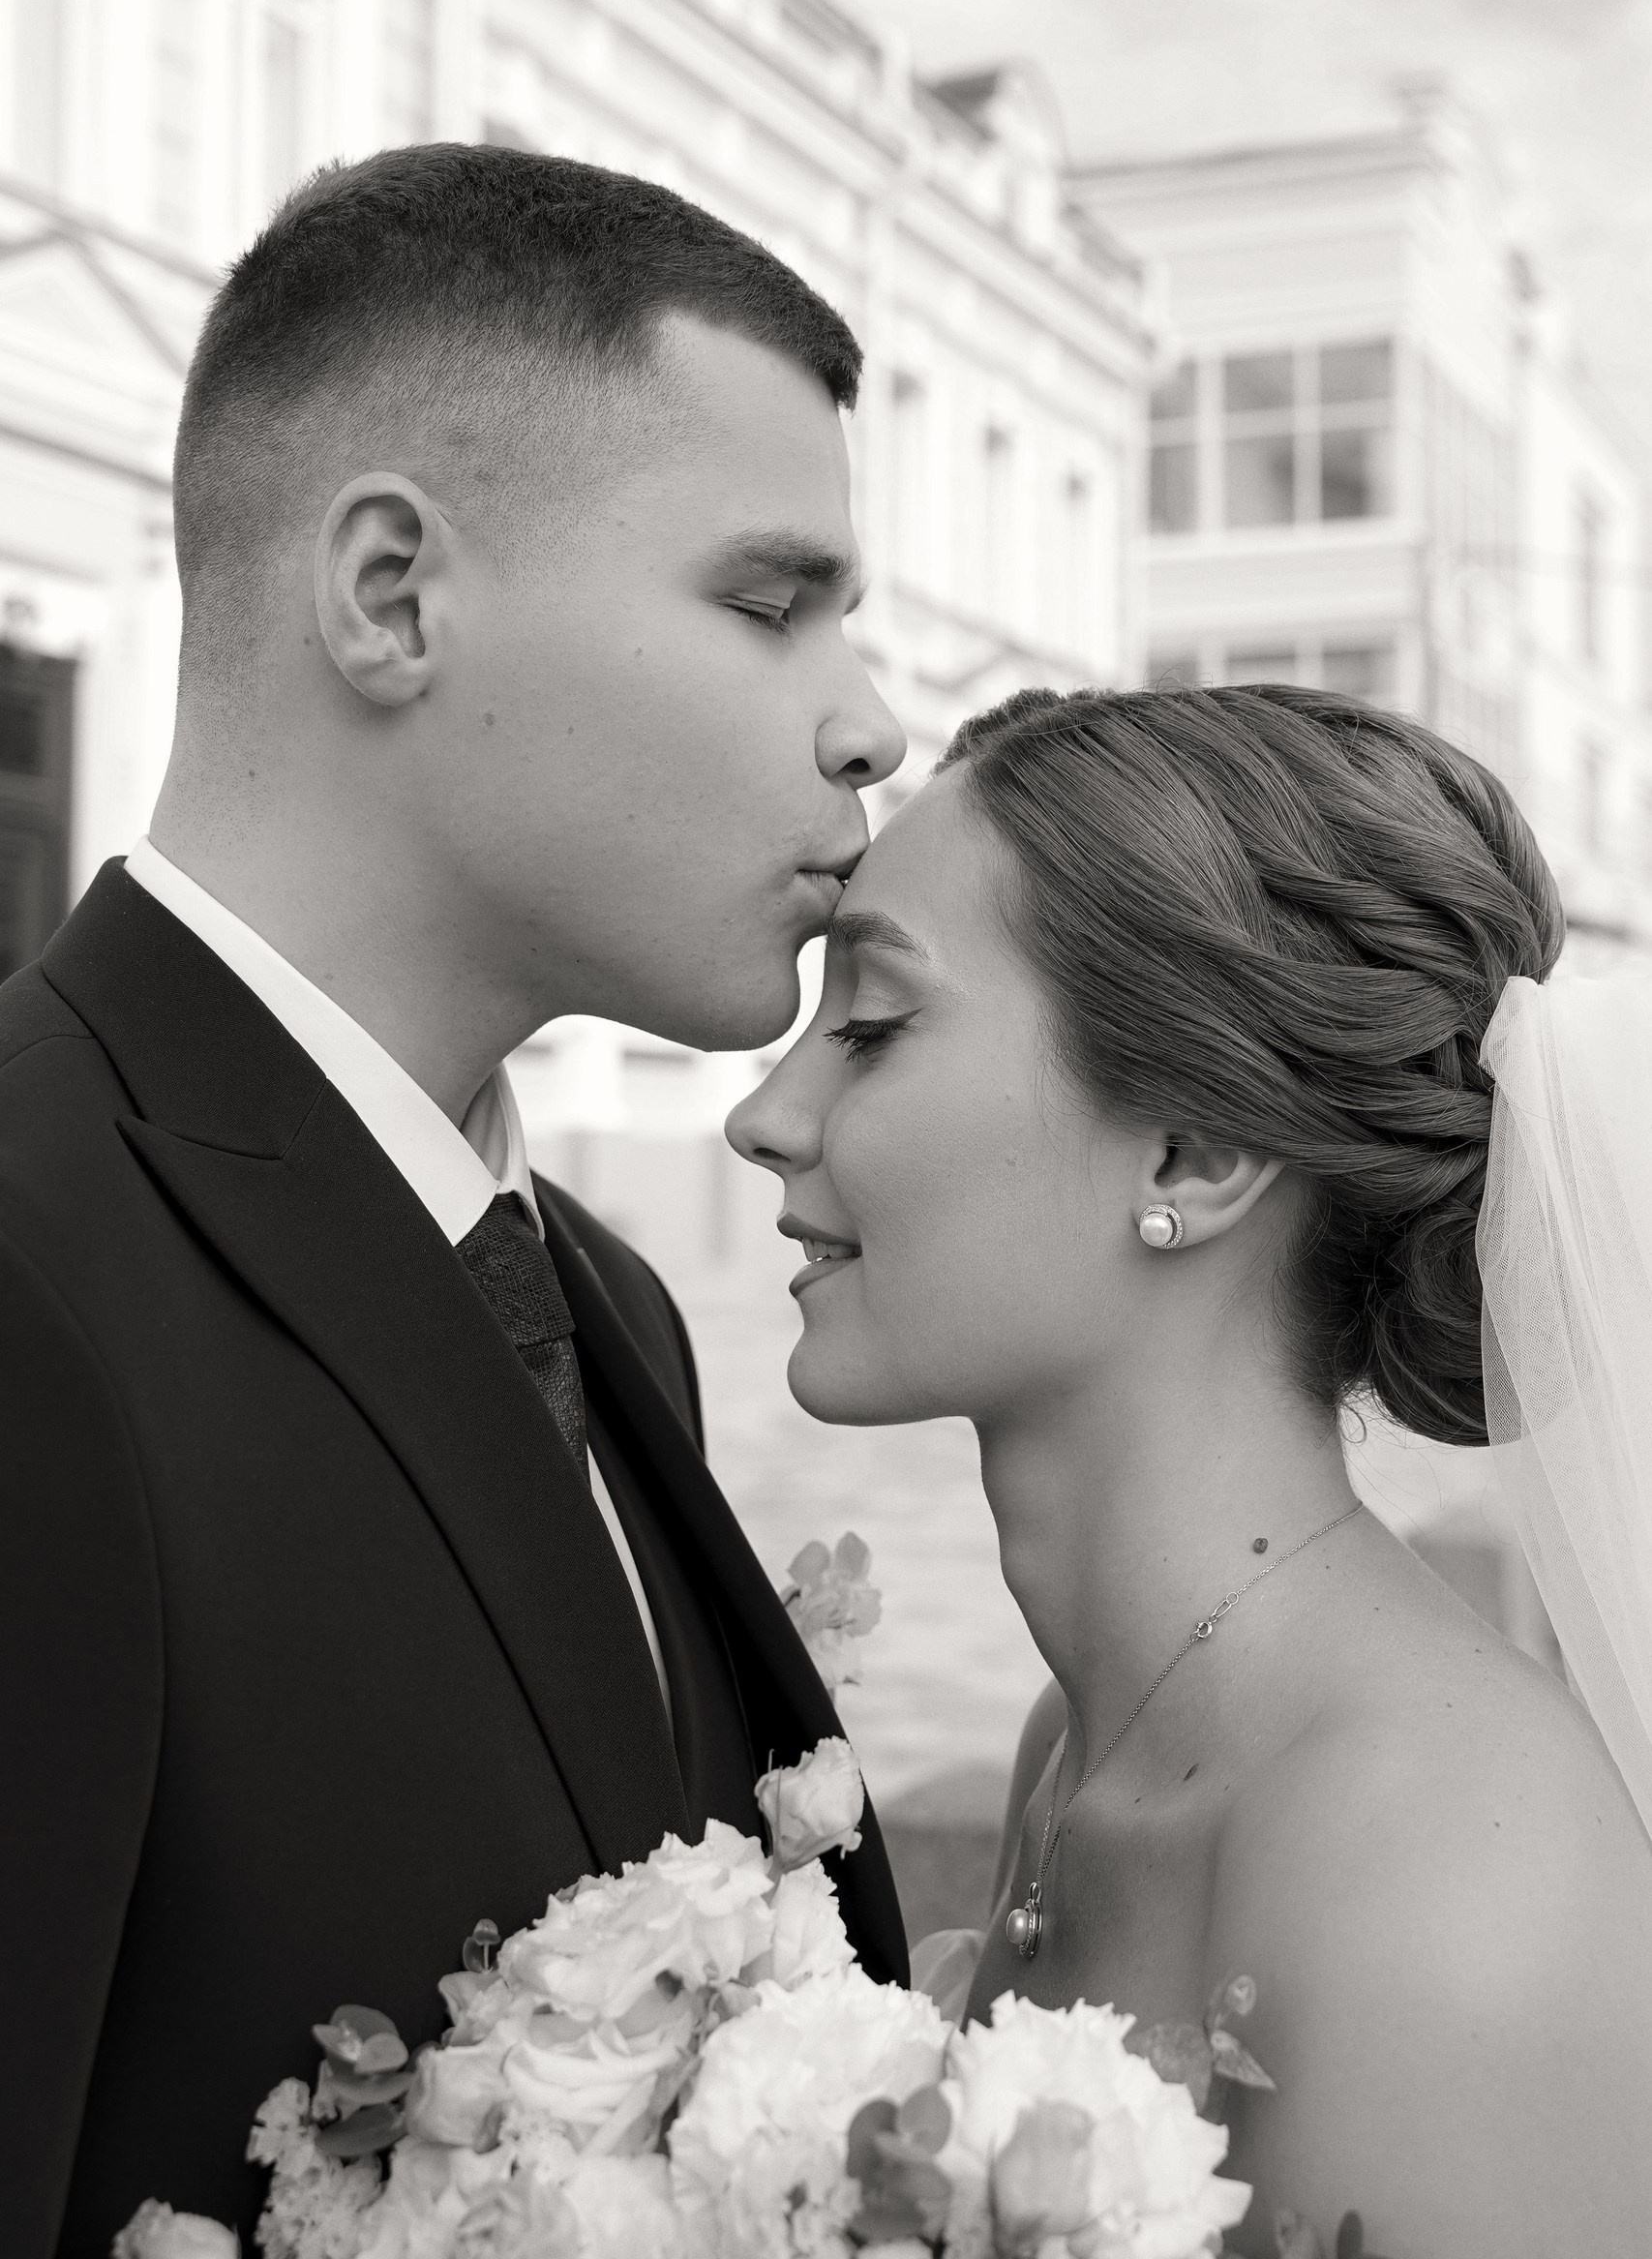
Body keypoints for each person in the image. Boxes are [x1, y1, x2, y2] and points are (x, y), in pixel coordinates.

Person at [0, 144, 910, 2256]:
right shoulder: (23, 1267)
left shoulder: (604, 1298)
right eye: (768, 604)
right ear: (393, 594)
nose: (870, 726)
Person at [728, 680, 1652, 2256]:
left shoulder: (1439, 1872)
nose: (765, 1115)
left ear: (1194, 1154)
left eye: (872, 1029)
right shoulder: (1078, 1748)